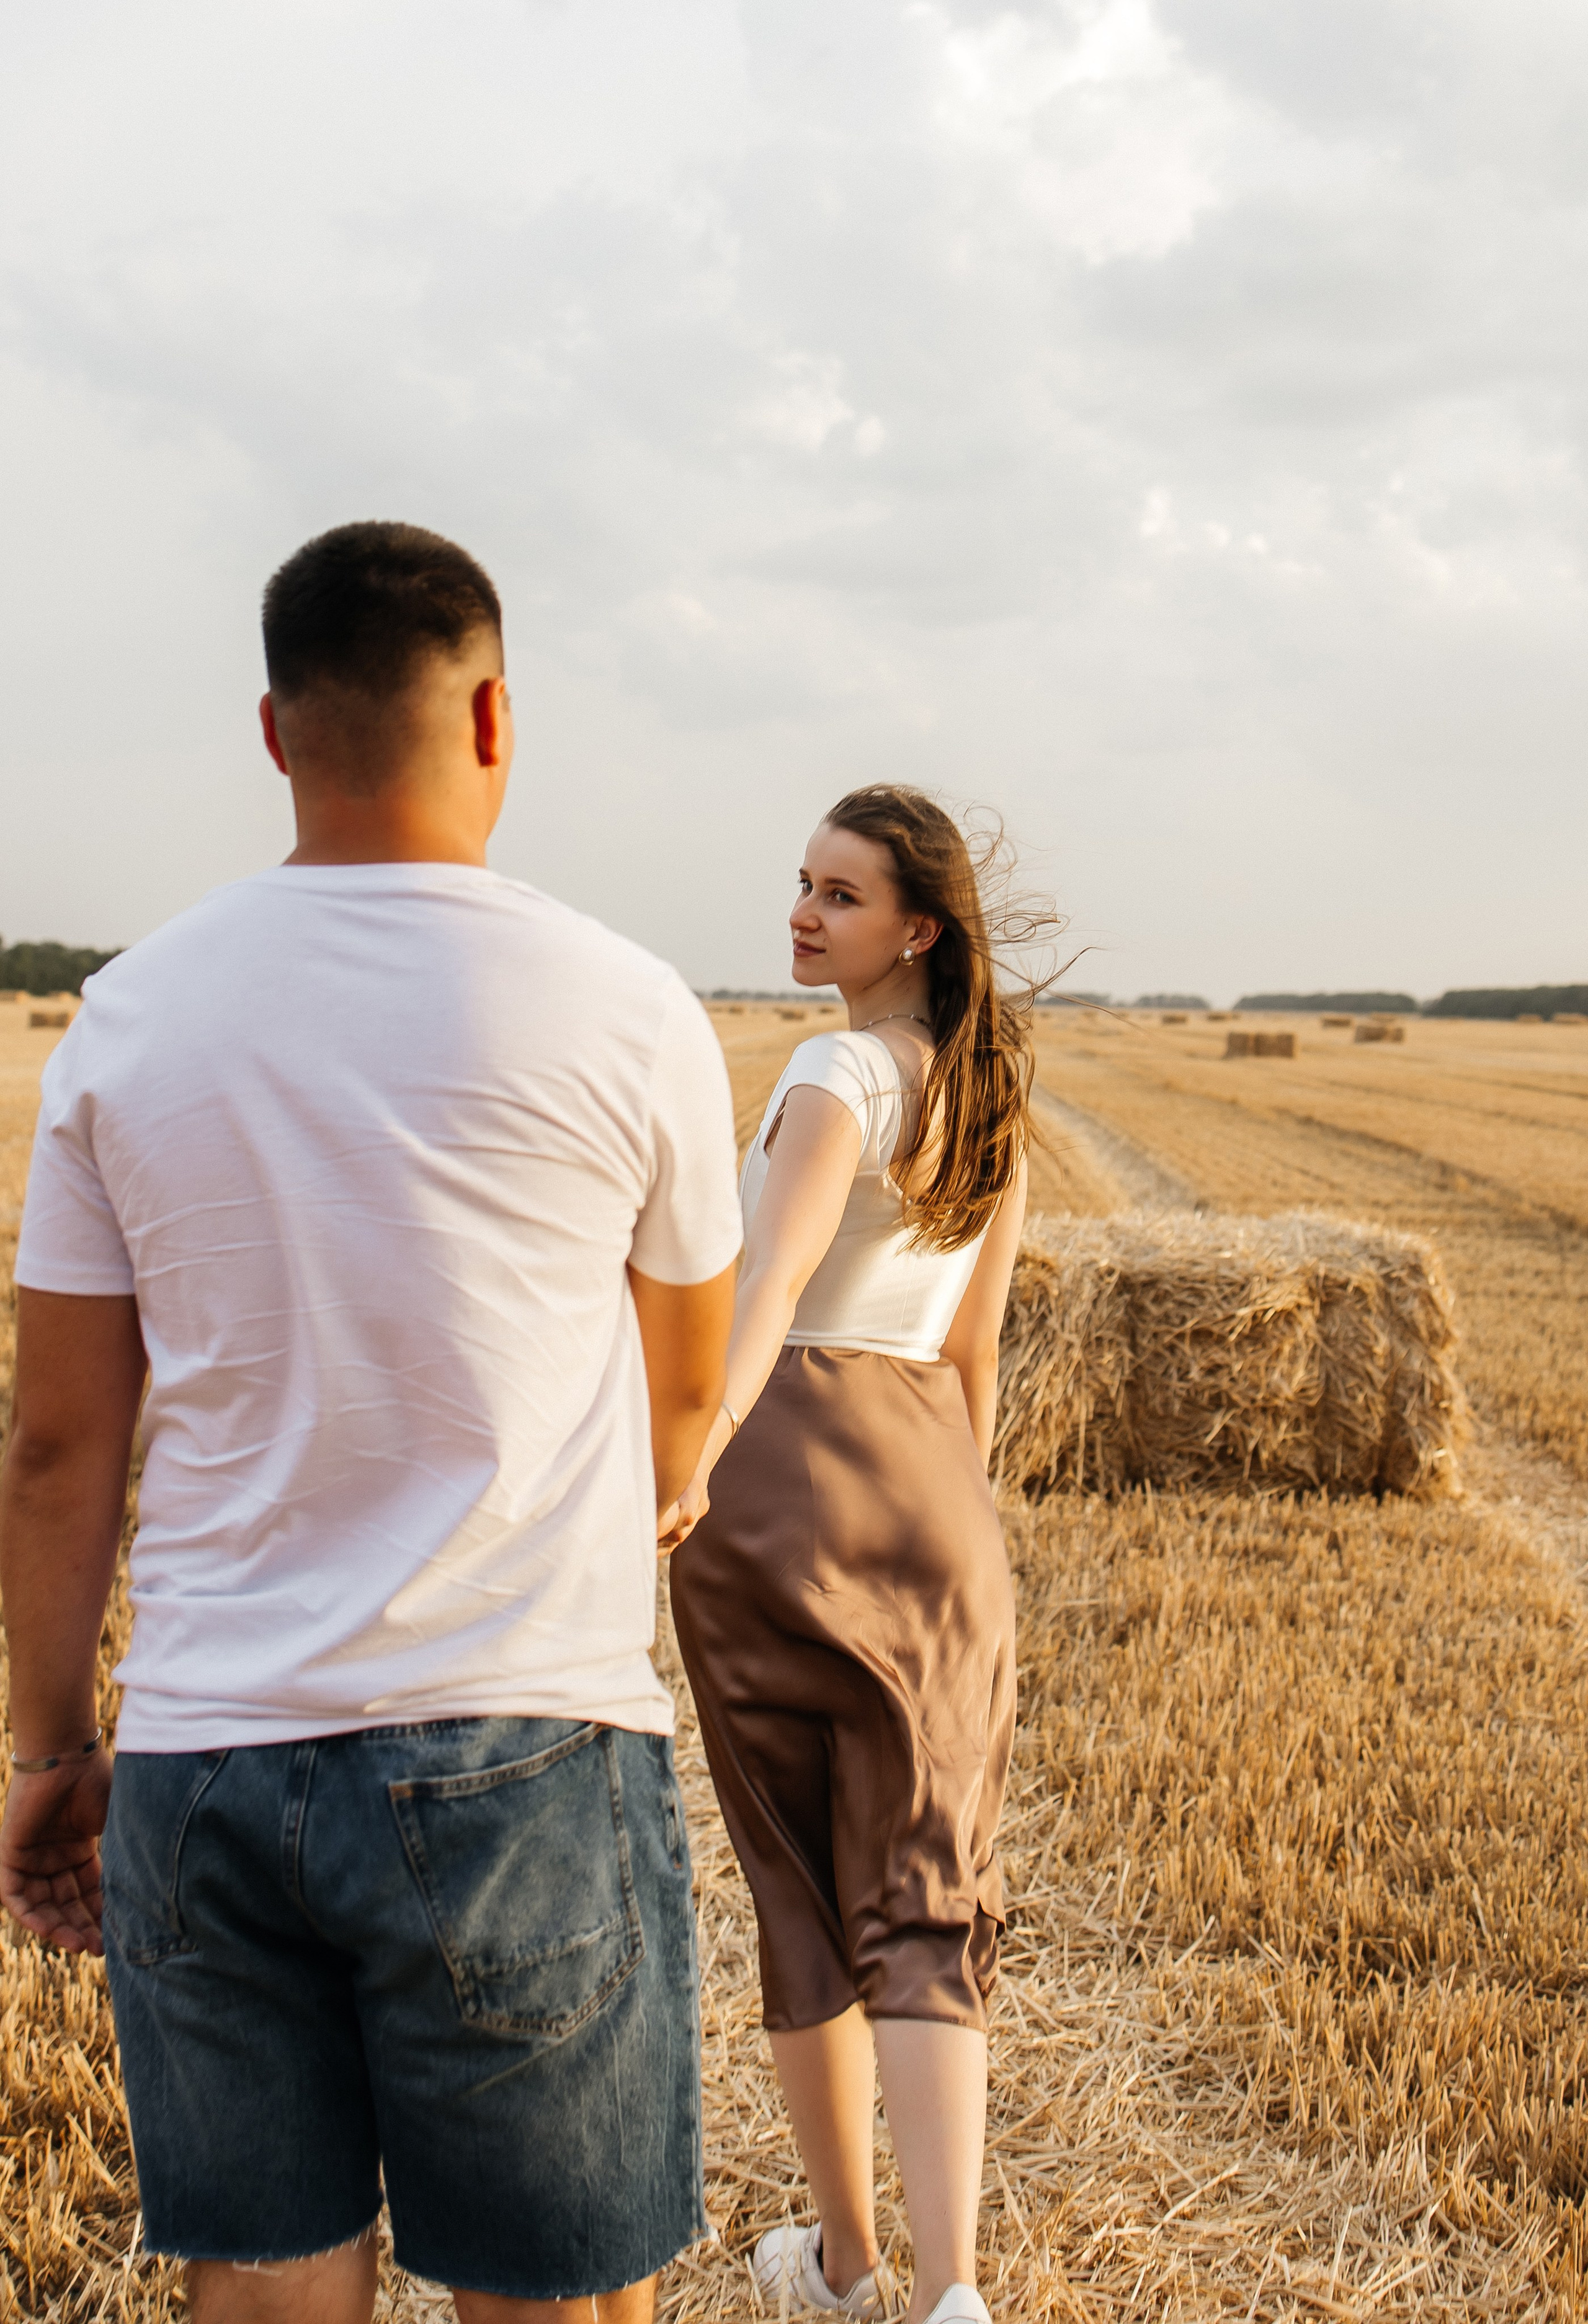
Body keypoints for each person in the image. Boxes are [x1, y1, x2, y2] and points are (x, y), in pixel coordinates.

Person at [0, 522, 742, 2324]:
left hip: (205, 1755)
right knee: (551, 2299)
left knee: (258, 2295)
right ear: (495, 714)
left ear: (273, 731)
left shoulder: (123, 1021)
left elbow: (54, 1451)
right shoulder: (633, 1008)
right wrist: (663, 1483)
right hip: (525, 1745)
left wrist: (45, 1749)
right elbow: (691, 1389)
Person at [666, 786, 1032, 2324]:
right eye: (801, 883)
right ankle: (952, 2295)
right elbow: (975, 1347)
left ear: (916, 928)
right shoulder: (991, 1087)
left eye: (840, 894)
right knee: (928, 1891)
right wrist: (968, 1518)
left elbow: (760, 1304)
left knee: (804, 1889)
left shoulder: (831, 1070)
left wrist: (679, 1470)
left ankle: (844, 2265)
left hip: (780, 1482)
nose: (805, 913)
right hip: (934, 1490)